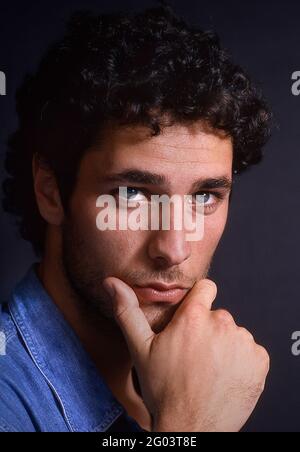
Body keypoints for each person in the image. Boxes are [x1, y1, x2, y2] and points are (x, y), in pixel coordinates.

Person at [0, 4, 271, 432]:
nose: (174, 247)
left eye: (204, 196)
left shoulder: (180, 379)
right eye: (133, 194)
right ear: (50, 191)